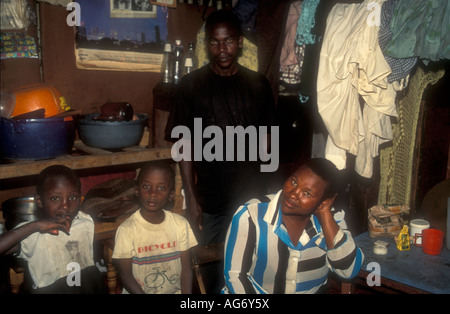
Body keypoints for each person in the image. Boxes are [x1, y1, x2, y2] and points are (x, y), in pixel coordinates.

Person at [165, 9, 277, 248]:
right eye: (215, 42)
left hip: (252, 201)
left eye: (228, 41)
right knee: (210, 273)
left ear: (239, 42)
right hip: (209, 203)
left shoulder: (258, 85)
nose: (222, 49)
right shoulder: (191, 85)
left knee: (248, 267)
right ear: (207, 44)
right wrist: (191, 199)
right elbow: (184, 146)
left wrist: (268, 195)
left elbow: (269, 141)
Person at [223, 158, 364, 294]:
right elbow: (236, 277)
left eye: (307, 193)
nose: (293, 194)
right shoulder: (252, 215)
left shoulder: (331, 222)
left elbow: (349, 271)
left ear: (323, 203)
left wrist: (325, 213)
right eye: (294, 181)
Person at [0, 165, 105, 294]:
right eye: (55, 198)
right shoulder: (35, 234)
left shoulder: (85, 221)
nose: (66, 205)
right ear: (39, 201)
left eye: (72, 197)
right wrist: (36, 226)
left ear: (80, 197)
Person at [112, 161, 198, 294]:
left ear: (171, 195)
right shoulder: (127, 230)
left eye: (161, 188)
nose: (153, 193)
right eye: (146, 186)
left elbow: (187, 270)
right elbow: (126, 276)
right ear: (137, 190)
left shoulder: (180, 225)